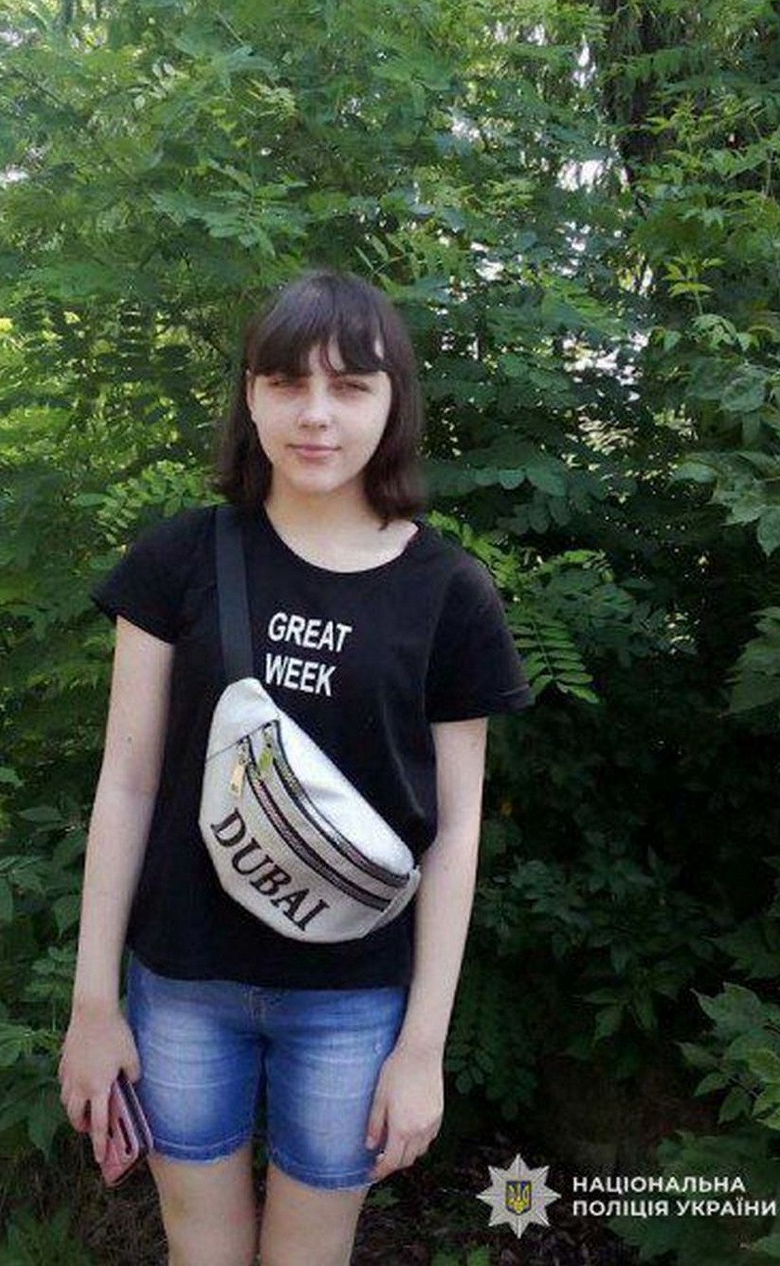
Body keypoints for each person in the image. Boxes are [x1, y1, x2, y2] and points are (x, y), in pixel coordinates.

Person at [58, 268, 533, 1266]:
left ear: (394, 402)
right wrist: (94, 1005)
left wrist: (422, 1048)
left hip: (353, 998)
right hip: (181, 980)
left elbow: (455, 833)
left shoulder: (450, 593)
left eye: (350, 385)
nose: (316, 414)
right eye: (286, 382)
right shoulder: (180, 558)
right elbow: (127, 785)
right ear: (250, 395)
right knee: (201, 1249)